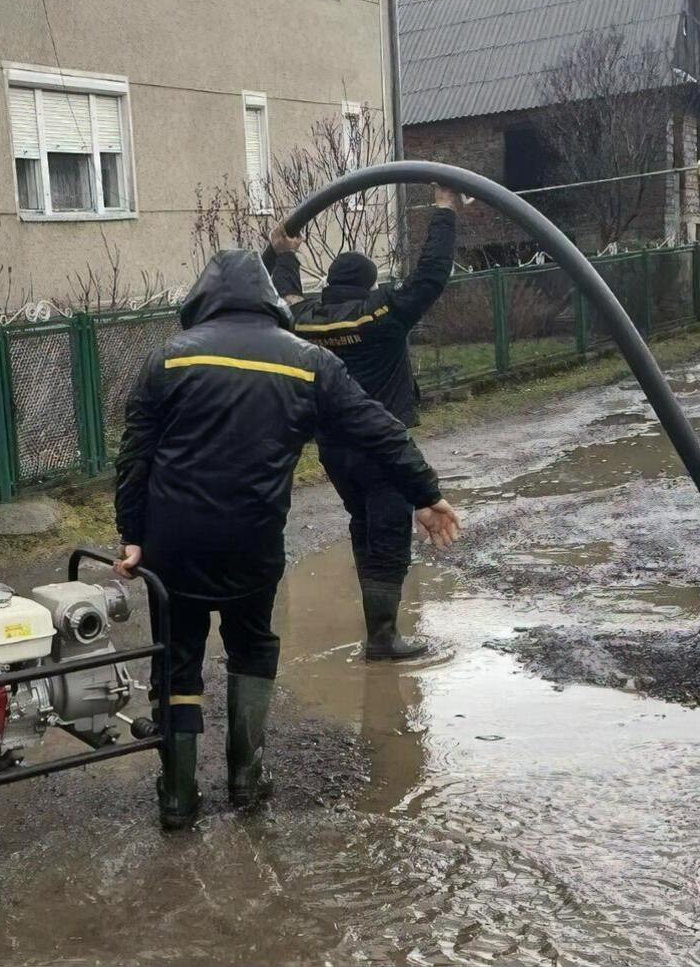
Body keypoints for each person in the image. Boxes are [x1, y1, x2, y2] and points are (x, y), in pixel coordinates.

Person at [112, 248, 460, 831]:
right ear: (270, 299)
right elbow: (378, 429)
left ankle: (177, 798)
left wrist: (132, 535)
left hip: (174, 544)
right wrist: (425, 493)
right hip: (253, 538)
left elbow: (135, 456)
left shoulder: (166, 361)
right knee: (251, 646)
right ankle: (247, 781)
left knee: (177, 662)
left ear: (203, 298)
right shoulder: (308, 363)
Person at [264, 186, 460, 659]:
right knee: (389, 535)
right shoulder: (382, 313)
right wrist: (445, 212)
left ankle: (379, 630)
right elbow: (432, 273)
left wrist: (281, 252)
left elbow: (283, 293)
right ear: (369, 283)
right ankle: (383, 637)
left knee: (362, 524)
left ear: (331, 281)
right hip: (382, 444)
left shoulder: (304, 319)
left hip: (335, 449)